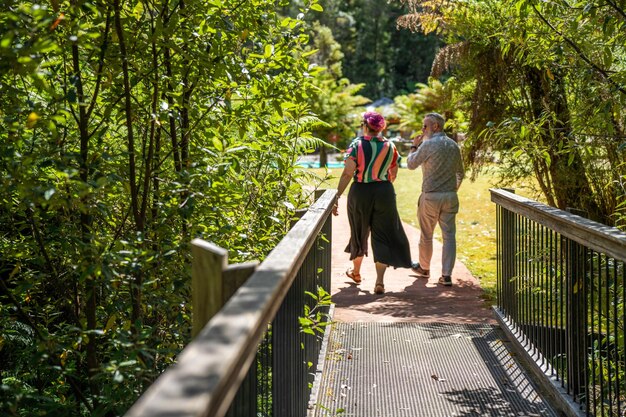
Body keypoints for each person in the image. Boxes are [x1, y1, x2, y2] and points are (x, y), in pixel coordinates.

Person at [332, 111, 412, 295]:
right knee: (382, 234)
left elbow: (347, 173)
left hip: (360, 191)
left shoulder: (357, 144)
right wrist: (382, 185)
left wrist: (337, 196)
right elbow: (394, 173)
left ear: (365, 127)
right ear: (381, 128)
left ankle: (357, 273)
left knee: (359, 231)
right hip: (384, 191)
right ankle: (379, 281)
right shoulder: (390, 146)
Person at [406, 112, 464, 287]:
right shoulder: (454, 145)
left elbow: (410, 164)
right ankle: (446, 276)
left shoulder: (428, 144)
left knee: (426, 234)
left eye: (425, 126)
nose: (422, 130)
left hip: (431, 196)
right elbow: (460, 173)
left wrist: (414, 147)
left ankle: (424, 268)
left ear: (435, 126)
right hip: (450, 196)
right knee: (449, 236)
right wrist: (453, 189)